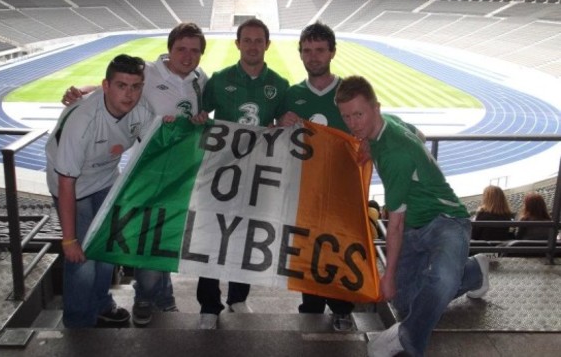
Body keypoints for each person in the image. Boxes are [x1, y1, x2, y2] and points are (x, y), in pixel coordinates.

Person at [61, 22, 207, 326]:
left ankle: (124, 302)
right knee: (87, 256)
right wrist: (82, 91)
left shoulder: (200, 80)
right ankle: (79, 324)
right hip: (137, 174)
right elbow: (117, 87)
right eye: (181, 48)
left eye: (194, 50)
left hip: (155, 175)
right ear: (170, 49)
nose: (187, 55)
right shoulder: (148, 74)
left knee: (141, 241)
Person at [335, 75, 490, 357]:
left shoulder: (395, 154)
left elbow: (394, 226)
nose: (353, 123)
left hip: (447, 219)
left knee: (440, 281)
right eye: (347, 116)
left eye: (359, 114)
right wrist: (372, 146)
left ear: (376, 108)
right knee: (408, 304)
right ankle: (473, 271)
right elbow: (418, 134)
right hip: (415, 223)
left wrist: (388, 275)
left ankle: (407, 338)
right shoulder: (387, 123)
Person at [193, 18, 289, 330]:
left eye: (258, 40)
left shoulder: (280, 85)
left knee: (246, 238)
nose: (252, 46)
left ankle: (237, 297)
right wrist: (195, 121)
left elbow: (283, 129)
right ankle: (209, 304)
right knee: (212, 237)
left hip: (256, 177)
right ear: (238, 44)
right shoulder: (219, 80)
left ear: (267, 45)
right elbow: (200, 116)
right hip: (219, 174)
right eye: (246, 40)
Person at [46, 54, 154, 328]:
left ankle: (101, 304)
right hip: (74, 186)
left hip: (106, 179)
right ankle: (78, 323)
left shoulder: (141, 110)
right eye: (121, 86)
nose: (129, 95)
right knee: (82, 259)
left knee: (107, 250)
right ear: (106, 86)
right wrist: (69, 240)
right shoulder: (82, 121)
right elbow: (66, 182)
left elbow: (154, 150)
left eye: (135, 86)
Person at [276, 21, 356, 331]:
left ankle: (341, 308)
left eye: (319, 50)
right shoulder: (292, 94)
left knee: (338, 250)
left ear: (332, 52)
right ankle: (309, 308)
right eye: (307, 51)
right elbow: (273, 139)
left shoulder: (350, 92)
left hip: (342, 191)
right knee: (308, 250)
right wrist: (280, 123)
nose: (313, 56)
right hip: (304, 190)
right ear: (300, 54)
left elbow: (369, 132)